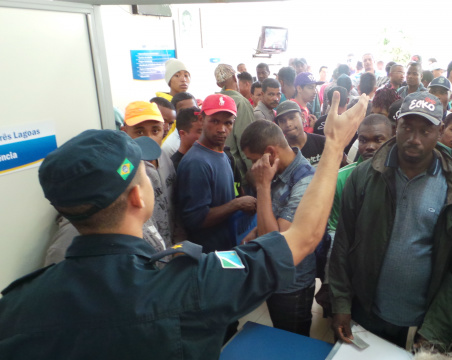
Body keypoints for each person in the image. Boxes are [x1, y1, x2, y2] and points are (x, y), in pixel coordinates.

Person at [0, 90, 369, 360]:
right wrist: (335, 146)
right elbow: (302, 238)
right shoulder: (191, 280)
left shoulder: (17, 303)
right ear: (137, 199)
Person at [330, 92, 452, 350]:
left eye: (425, 130)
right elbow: (343, 245)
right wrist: (341, 304)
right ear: (395, 127)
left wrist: (437, 329)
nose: (414, 138)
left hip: (420, 324)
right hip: (365, 313)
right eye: (407, 128)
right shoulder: (364, 177)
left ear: (440, 131)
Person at [240, 120, 318, 336]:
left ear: (270, 153)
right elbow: (272, 218)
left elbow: (277, 242)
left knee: (292, 341)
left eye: (254, 160)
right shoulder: (275, 170)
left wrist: (262, 186)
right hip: (273, 277)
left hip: (292, 285)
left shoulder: (305, 180)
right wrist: (255, 233)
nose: (253, 167)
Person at [176, 94, 255, 253]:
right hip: (208, 256)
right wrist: (237, 204)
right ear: (201, 120)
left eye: (228, 123)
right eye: (214, 121)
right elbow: (196, 219)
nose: (221, 129)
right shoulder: (197, 162)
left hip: (225, 249)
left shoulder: (222, 155)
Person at [121, 101, 176, 246]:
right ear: (124, 132)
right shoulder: (124, 169)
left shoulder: (165, 157)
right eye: (139, 132)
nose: (149, 138)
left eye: (155, 131)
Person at [328, 114, 393, 236]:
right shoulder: (341, 179)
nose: (369, 147)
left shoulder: (399, 177)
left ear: (390, 141)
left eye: (378, 140)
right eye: (363, 140)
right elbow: (335, 228)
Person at [215, 64, 256, 180]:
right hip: (237, 173)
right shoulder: (241, 103)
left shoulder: (212, 102)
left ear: (218, 84)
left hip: (217, 170)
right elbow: (246, 142)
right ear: (234, 77)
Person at [275, 100, 328, 168]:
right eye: (282, 121)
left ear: (302, 117)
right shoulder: (279, 153)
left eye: (291, 118)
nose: (288, 124)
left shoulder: (322, 142)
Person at [161, 92, 198, 158]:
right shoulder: (169, 146)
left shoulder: (209, 133)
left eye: (193, 109)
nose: (190, 114)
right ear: (175, 114)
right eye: (184, 111)